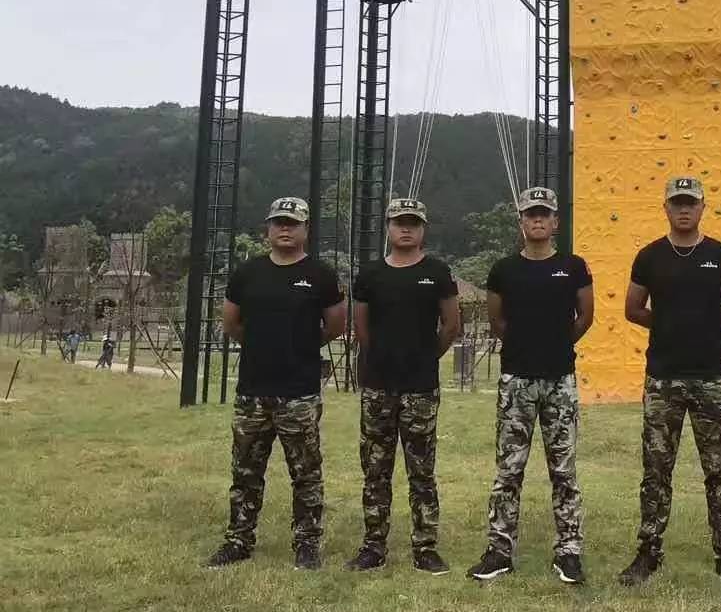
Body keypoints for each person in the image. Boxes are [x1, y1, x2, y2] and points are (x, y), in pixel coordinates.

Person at [618, 177, 721, 586]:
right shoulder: (650, 257)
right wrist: (666, 326)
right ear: (665, 207)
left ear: (702, 207)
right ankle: (648, 553)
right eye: (677, 202)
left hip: (711, 377)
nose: (684, 209)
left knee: (719, 471)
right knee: (657, 470)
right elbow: (632, 308)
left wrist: (712, 323)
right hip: (663, 378)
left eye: (691, 202)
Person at [205, 197, 346, 570]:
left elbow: (335, 325)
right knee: (246, 472)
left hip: (299, 392)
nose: (285, 229)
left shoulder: (321, 275)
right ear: (268, 229)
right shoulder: (247, 274)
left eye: (293, 223)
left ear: (305, 230)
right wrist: (262, 344)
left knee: (306, 473)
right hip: (252, 391)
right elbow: (232, 325)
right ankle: (238, 540)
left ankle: (307, 544)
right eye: (279, 222)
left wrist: (299, 345)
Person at [467, 187, 593, 585]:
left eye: (545, 214)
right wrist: (526, 348)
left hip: (559, 380)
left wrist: (555, 345)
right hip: (516, 381)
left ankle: (569, 551)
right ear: (520, 222)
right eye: (530, 214)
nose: (537, 220)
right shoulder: (504, 269)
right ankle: (499, 551)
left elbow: (584, 317)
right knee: (508, 470)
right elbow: (498, 322)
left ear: (556, 221)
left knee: (564, 471)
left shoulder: (573, 266)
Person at [345, 198, 461, 574]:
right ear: (389, 228)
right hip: (379, 385)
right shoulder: (371, 274)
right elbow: (360, 327)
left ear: (423, 229)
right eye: (399, 222)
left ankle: (425, 547)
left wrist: (427, 357)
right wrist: (377, 358)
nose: (405, 228)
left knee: (421, 471)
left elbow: (451, 325)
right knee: (376, 468)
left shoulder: (438, 272)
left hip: (421, 387)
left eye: (412, 223)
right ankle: (373, 546)